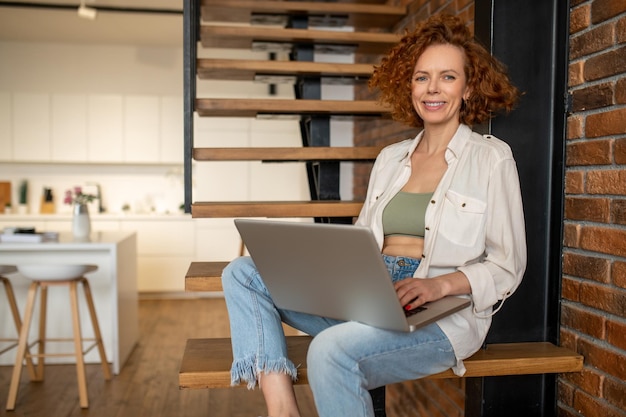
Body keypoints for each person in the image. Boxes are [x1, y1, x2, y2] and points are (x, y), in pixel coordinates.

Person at [221, 13, 527, 417]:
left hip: (438, 313)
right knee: (241, 273)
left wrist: (439, 287)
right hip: (368, 295)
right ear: (410, 86)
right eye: (422, 77)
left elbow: (508, 264)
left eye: (447, 77)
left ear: (469, 88)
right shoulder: (390, 159)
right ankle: (282, 409)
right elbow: (363, 238)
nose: (432, 88)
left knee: (330, 351)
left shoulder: (491, 158)